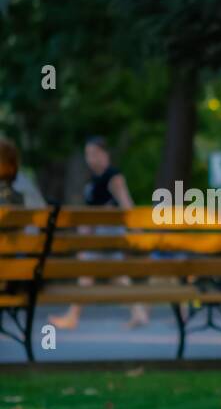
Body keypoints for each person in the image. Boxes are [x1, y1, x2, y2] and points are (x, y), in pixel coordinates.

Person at [51, 136, 148, 330]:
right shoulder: (96, 180)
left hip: (106, 236)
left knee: (88, 273)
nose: (91, 158)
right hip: (100, 236)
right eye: (88, 154)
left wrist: (140, 232)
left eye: (94, 154)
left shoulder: (113, 177)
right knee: (116, 276)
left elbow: (126, 204)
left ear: (105, 154)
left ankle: (72, 316)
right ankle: (138, 313)